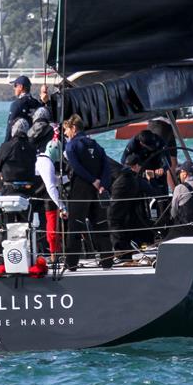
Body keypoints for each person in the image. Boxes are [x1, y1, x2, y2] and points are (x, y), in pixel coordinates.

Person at [62, 114, 113, 270]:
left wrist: (92, 180)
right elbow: (107, 166)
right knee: (101, 226)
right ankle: (107, 261)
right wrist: (102, 184)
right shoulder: (96, 145)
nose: (65, 134)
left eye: (66, 130)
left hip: (81, 189)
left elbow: (76, 167)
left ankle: (71, 263)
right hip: (97, 190)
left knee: (75, 227)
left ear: (74, 128)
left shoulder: (71, 146)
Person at [108, 153, 154, 260]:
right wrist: (151, 180)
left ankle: (122, 255)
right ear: (136, 166)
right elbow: (154, 192)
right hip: (129, 220)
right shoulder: (136, 180)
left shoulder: (119, 176)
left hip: (116, 217)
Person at [33, 139, 67, 260]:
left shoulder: (41, 159)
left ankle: (53, 252)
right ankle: (54, 255)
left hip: (36, 196)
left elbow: (52, 180)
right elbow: (51, 187)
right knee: (52, 227)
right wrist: (62, 207)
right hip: (42, 198)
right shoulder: (47, 163)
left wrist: (67, 178)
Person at [0, 118, 37, 197]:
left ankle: (2, 194)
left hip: (9, 186)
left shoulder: (6, 146)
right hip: (29, 186)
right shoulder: (32, 147)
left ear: (13, 130)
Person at [120, 129, 170, 196]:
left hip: (157, 169)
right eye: (150, 146)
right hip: (141, 169)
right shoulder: (133, 143)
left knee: (162, 193)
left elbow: (168, 161)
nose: (152, 147)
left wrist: (163, 168)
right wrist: (134, 168)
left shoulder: (160, 141)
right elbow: (123, 161)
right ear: (141, 143)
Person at [4, 75, 49, 142]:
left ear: (21, 87)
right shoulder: (36, 103)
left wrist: (5, 145)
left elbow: (10, 126)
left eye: (15, 86)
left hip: (21, 142)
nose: (14, 88)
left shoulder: (16, 104)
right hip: (36, 140)